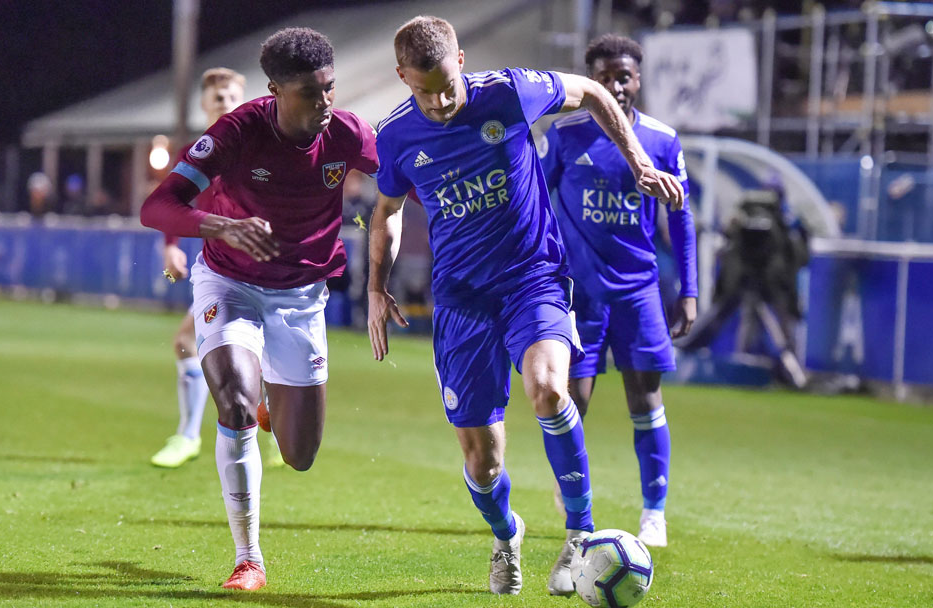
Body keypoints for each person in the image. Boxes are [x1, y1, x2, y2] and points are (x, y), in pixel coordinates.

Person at [367, 16, 683, 597]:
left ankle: (580, 537)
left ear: (461, 58)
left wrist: (638, 161)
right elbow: (387, 209)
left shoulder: (508, 92)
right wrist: (374, 287)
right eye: (422, 89)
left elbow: (589, 93)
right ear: (401, 77)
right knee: (481, 460)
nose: (438, 101)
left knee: (550, 390)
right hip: (462, 300)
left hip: (532, 279)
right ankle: (506, 532)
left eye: (447, 84)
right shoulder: (395, 136)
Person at [140, 28, 378, 591]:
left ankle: (273, 398)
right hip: (230, 284)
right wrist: (221, 225)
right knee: (236, 405)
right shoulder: (238, 133)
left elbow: (408, 180)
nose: (324, 103)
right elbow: (158, 206)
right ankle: (250, 559)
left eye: (329, 88)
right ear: (274, 90)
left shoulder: (347, 133)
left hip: (302, 298)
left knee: (299, 455)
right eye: (310, 93)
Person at [538, 34, 696, 549]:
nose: (614, 87)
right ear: (590, 82)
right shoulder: (565, 135)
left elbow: (682, 219)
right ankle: (573, 495)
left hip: (638, 292)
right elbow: (536, 200)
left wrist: (689, 290)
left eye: (622, 77)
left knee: (645, 398)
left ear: (638, 79)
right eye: (603, 78)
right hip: (579, 293)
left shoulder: (663, 140)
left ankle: (654, 513)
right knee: (568, 401)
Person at [150, 67, 247, 469]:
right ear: (205, 105)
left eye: (230, 97)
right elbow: (172, 203)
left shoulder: (258, 146)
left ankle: (197, 434)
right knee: (189, 342)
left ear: (242, 101)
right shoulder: (196, 152)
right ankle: (191, 436)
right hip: (222, 267)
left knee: (259, 358)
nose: (224, 103)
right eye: (217, 98)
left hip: (264, 266)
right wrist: (171, 246)